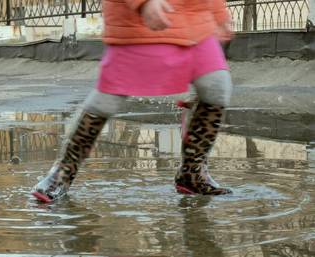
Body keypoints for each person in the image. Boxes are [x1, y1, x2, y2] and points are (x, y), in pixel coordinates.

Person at [32, 0, 234, 203]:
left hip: (194, 21)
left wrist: (219, 13)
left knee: (216, 85)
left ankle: (193, 173)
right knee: (108, 98)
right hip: (138, 24)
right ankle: (62, 173)